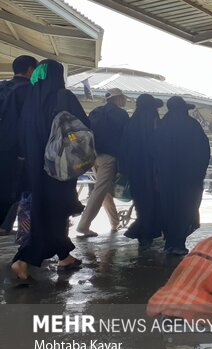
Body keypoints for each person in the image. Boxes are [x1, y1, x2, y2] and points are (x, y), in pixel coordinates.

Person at [10, 59, 86, 280]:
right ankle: (23, 260)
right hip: (60, 167)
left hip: (36, 168)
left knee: (48, 210)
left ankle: (64, 256)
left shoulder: (31, 99)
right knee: (54, 213)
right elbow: (85, 129)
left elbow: (21, 135)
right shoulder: (64, 97)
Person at [153, 96, 211, 255]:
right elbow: (204, 151)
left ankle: (170, 242)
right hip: (189, 179)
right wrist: (199, 173)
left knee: (168, 208)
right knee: (186, 208)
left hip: (167, 178)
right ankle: (179, 243)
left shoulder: (162, 125)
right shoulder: (192, 125)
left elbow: (154, 153)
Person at [77, 87, 129, 237]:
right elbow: (126, 138)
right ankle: (84, 225)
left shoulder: (96, 111)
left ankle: (114, 222)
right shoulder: (121, 114)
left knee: (104, 191)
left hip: (94, 156)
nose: (124, 100)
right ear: (118, 98)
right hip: (109, 157)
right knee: (100, 191)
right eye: (123, 97)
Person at [120, 93, 164, 250]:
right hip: (153, 172)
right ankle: (148, 232)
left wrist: (125, 169)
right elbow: (159, 148)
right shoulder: (155, 123)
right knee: (154, 202)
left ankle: (143, 233)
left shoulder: (131, 124)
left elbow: (124, 149)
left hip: (135, 171)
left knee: (140, 203)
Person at [0, 55, 38, 235]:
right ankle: (8, 226)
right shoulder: (29, 91)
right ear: (31, 69)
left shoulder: (2, 87)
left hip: (2, 148)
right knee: (20, 190)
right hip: (18, 151)